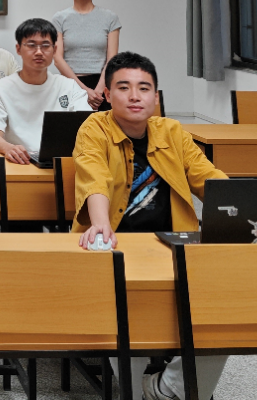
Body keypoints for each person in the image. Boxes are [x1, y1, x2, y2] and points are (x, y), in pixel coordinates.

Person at [71, 52, 228, 400]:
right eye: (123, 87)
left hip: (175, 246)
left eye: (144, 88)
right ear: (107, 94)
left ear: (155, 97)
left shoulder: (171, 131)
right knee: (124, 307)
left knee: (225, 306)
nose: (134, 96)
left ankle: (166, 388)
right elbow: (93, 177)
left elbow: (208, 177)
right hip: (118, 245)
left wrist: (242, 207)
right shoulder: (94, 128)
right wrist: (100, 225)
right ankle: (135, 387)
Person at [0, 18, 91, 164]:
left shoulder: (69, 86)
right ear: (18, 49)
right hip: (20, 162)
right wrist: (8, 148)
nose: (39, 52)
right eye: (31, 45)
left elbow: (89, 125)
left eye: (45, 46)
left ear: (55, 50)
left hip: (62, 162)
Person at [52, 0, 121, 110]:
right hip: (70, 84)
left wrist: (99, 90)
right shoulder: (59, 18)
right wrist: (83, 90)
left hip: (102, 86)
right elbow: (57, 59)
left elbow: (112, 59)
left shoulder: (110, 18)